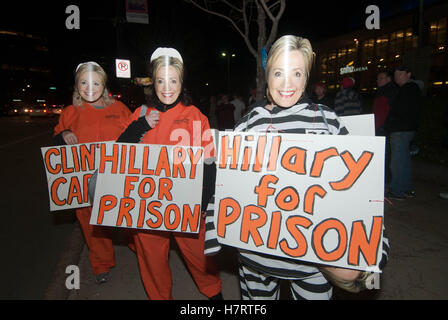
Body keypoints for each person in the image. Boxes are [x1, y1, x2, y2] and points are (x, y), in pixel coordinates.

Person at [204, 35, 389, 300]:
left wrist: (374, 241)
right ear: (268, 76)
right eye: (278, 73)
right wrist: (216, 231)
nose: (287, 83)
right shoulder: (248, 124)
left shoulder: (329, 121)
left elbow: (359, 187)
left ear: (306, 78)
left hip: (312, 263)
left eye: (297, 73)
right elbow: (227, 185)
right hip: (256, 258)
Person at [117, 47, 223, 300]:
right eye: (161, 81)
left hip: (188, 205)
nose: (167, 87)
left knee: (199, 256)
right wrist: (139, 127)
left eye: (173, 80)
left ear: (181, 82)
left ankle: (213, 292)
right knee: (152, 261)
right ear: (153, 83)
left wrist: (202, 203)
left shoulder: (195, 115)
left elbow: (209, 164)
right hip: (147, 206)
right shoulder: (140, 114)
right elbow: (118, 155)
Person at [53, 61, 132, 284]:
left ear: (104, 85)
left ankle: (137, 245)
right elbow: (56, 141)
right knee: (92, 225)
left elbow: (136, 139)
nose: (90, 88)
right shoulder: (69, 112)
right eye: (84, 83)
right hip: (84, 180)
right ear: (77, 86)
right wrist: (64, 134)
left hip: (117, 177)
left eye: (95, 83)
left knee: (128, 217)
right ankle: (101, 264)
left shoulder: (120, 109)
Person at [385, 65, 422, 200]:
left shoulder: (408, 88)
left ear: (408, 74)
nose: (397, 77)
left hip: (400, 129)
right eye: (396, 75)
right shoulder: (412, 89)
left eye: (400, 74)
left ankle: (397, 190)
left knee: (397, 162)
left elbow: (400, 110)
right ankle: (406, 189)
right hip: (406, 129)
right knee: (404, 160)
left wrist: (390, 123)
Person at [373, 71, 398, 185]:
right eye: (378, 78)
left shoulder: (389, 92)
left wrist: (381, 126)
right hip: (381, 127)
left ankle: (386, 178)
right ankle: (384, 177)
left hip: (384, 128)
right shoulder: (382, 91)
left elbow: (385, 112)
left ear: (388, 79)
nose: (378, 81)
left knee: (385, 155)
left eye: (381, 78)